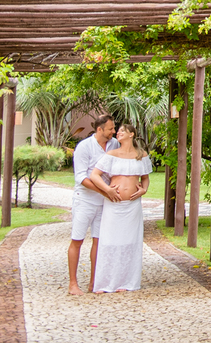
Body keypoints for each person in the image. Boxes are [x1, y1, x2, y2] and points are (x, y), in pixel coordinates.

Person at [88, 123, 152, 293]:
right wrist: (107, 189)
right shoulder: (111, 155)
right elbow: (94, 175)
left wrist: (144, 190)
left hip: (132, 207)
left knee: (129, 242)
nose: (118, 133)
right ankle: (105, 282)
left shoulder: (141, 155)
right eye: (118, 131)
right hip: (114, 205)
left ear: (131, 134)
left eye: (122, 131)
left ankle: (126, 281)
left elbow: (145, 178)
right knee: (109, 241)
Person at [67, 114, 120, 296]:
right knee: (77, 239)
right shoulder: (84, 147)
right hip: (85, 200)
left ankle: (94, 282)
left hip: (104, 202)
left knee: (99, 241)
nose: (114, 131)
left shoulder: (114, 144)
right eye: (111, 129)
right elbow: (81, 177)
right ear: (99, 129)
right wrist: (104, 191)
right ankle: (73, 284)